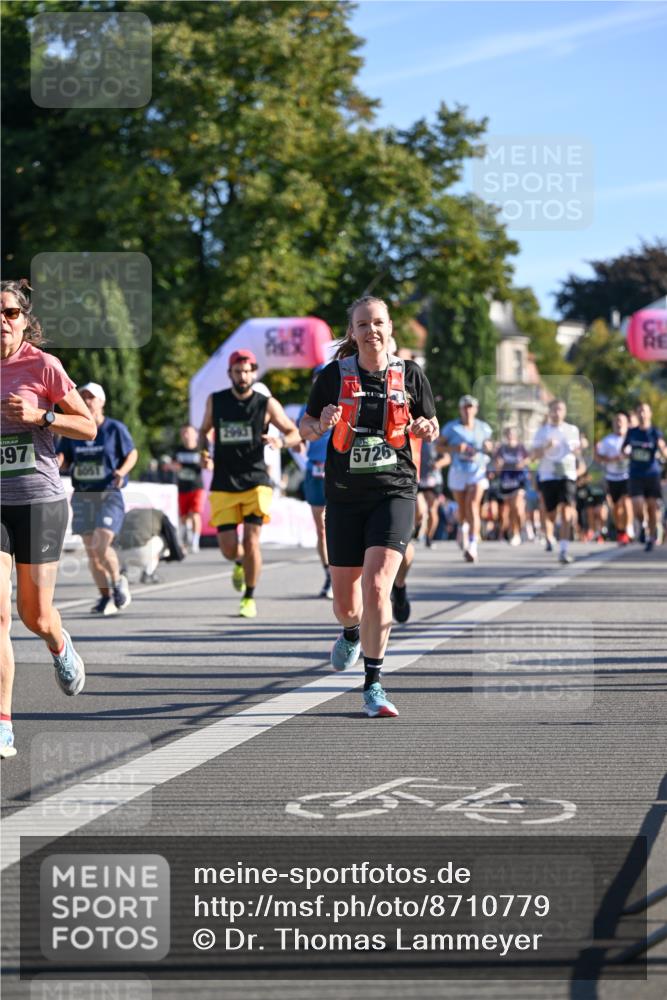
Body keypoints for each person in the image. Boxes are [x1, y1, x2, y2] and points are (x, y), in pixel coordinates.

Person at [299, 295, 439, 718]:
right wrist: (320, 424)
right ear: (353, 332)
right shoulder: (333, 376)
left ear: (390, 328)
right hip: (344, 496)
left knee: (377, 586)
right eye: (362, 324)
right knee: (346, 604)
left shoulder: (410, 374)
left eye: (378, 322)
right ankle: (350, 631)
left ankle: (373, 683)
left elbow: (431, 424)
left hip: (394, 491)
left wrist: (425, 426)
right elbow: (305, 427)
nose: (371, 330)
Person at [1, 279, 96, 759]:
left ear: (24, 320)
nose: (2, 321)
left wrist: (42, 416)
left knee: (34, 615)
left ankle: (59, 643)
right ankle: (3, 723)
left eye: (10, 313)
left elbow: (88, 426)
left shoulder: (43, 366)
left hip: (39, 500)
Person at [198, 349, 301, 618]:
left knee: (252, 540)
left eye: (247, 372)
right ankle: (239, 561)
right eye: (238, 372)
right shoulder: (216, 401)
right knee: (228, 547)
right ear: (230, 374)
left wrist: (281, 441)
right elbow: (204, 431)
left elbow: (294, 432)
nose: (243, 376)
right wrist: (204, 452)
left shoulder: (266, 404)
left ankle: (249, 597)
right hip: (224, 481)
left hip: (256, 481)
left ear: (253, 373)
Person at [58, 383, 138, 615]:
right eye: (83, 397)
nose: (87, 401)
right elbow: (64, 457)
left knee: (101, 545)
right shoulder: (74, 427)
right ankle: (105, 596)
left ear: (101, 402)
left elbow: (132, 453)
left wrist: (122, 472)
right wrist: (57, 462)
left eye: (91, 397)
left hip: (108, 494)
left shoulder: (114, 428)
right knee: (92, 553)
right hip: (83, 495)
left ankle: (118, 582)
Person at [439, 395, 493, 563]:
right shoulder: (451, 428)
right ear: (460, 409)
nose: (468, 410)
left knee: (473, 505)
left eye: (471, 407)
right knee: (462, 509)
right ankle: (463, 527)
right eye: (465, 407)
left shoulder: (483, 428)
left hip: (477, 470)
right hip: (458, 471)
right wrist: (454, 448)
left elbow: (490, 446)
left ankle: (472, 546)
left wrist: (488, 447)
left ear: (476, 409)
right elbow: (438, 447)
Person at [297, 366, 333, 599]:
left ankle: (347, 572)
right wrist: (297, 446)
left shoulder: (341, 406)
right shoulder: (307, 408)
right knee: (321, 528)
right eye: (316, 379)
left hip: (339, 471)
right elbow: (298, 434)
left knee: (340, 525)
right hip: (315, 471)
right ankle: (329, 574)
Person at [531, 399, 581, 564]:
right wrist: (546, 447)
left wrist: (579, 447)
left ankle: (564, 549)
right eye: (554, 409)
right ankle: (549, 534)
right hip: (548, 476)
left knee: (567, 510)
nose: (557, 413)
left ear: (565, 412)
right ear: (549, 412)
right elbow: (534, 456)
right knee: (550, 513)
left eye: (560, 409)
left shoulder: (572, 430)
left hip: (567, 475)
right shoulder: (542, 432)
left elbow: (579, 451)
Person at [623, 402, 667, 552]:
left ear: (650, 414)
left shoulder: (655, 432)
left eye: (645, 411)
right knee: (637, 505)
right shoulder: (632, 432)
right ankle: (642, 525)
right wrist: (625, 452)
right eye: (639, 411)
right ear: (636, 414)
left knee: (652, 507)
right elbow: (623, 449)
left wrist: (663, 450)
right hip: (635, 474)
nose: (642, 414)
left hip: (652, 474)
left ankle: (651, 537)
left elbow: (663, 448)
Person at [117, 507, 185, 583]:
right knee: (162, 540)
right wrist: (178, 554)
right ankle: (148, 572)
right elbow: (171, 534)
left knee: (126, 539)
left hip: (119, 554)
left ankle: (124, 571)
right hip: (141, 553)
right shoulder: (159, 515)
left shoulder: (128, 514)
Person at [596, 412, 632, 545]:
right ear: (613, 424)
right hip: (612, 477)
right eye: (616, 421)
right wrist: (612, 459)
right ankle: (620, 531)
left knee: (627, 502)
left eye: (621, 421)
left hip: (628, 476)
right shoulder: (607, 440)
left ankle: (629, 528)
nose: (619, 423)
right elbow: (599, 457)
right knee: (616, 507)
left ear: (627, 423)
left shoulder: (631, 439)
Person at [173, 424, 206, 553]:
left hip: (197, 487)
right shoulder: (178, 450)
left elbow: (207, 464)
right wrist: (174, 466)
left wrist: (205, 463)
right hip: (182, 488)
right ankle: (185, 538)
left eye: (188, 432)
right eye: (183, 433)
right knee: (184, 517)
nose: (186, 436)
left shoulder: (200, 450)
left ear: (195, 434)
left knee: (195, 514)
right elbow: (173, 464)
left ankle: (195, 542)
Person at [494, 426, 529, 546]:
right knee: (510, 508)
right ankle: (515, 533)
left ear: (516, 435)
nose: (510, 436)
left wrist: (522, 463)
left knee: (517, 507)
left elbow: (528, 459)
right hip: (506, 480)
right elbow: (497, 464)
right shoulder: (501, 448)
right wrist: (499, 465)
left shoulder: (521, 447)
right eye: (508, 434)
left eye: (512, 434)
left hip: (519, 480)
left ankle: (521, 528)